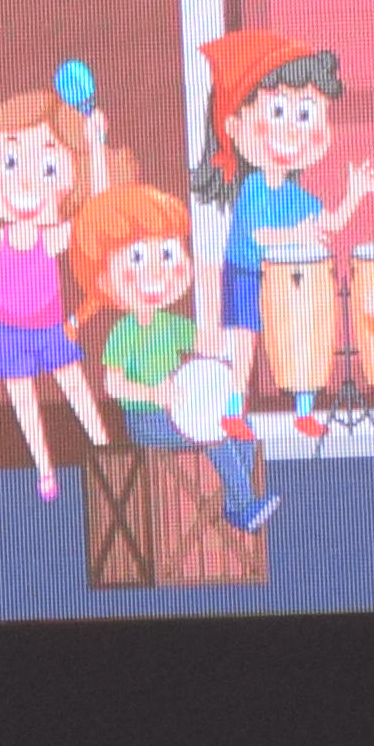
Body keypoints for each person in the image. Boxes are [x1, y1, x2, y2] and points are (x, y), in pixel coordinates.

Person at [0, 75, 115, 497]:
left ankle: (106, 449)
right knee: (25, 402)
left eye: (48, 168)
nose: (26, 183)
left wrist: (96, 145)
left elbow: (97, 212)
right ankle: (44, 470)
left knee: (74, 386)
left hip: (49, 329)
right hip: (7, 333)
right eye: (10, 161)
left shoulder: (52, 237)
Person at [195, 31, 374, 439]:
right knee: (244, 344)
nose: (292, 130)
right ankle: (233, 410)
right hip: (245, 273)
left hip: (283, 279)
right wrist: (296, 234)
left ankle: (303, 410)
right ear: (235, 126)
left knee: (299, 337)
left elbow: (331, 222)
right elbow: (260, 235)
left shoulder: (299, 197)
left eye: (306, 114)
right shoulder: (252, 187)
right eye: (277, 111)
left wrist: (353, 195)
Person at [70, 181, 269, 536]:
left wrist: (213, 291)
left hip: (178, 411)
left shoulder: (171, 324)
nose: (156, 272)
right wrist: (152, 394)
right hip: (146, 420)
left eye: (167, 253)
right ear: (104, 279)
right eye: (136, 257)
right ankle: (244, 505)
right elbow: (113, 384)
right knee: (216, 434)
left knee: (241, 428)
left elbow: (208, 345)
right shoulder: (123, 332)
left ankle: (234, 501)